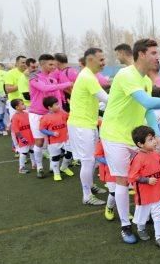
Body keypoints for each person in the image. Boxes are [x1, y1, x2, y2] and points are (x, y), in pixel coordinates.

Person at [99, 38, 160, 244]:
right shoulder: (126, 74)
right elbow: (147, 101)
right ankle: (125, 226)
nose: (158, 57)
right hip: (115, 135)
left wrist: (156, 136)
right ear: (141, 54)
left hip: (136, 137)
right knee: (122, 180)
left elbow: (147, 110)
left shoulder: (147, 80)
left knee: (144, 174)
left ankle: (137, 213)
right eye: (154, 53)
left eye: (158, 53)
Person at [68, 47, 110, 206]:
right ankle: (86, 195)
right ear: (90, 60)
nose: (103, 62)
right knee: (88, 161)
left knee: (91, 160)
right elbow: (106, 99)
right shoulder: (87, 77)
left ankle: (90, 186)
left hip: (88, 123)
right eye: (101, 59)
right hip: (81, 125)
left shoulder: (88, 75)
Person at [29, 54, 72, 179]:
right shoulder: (34, 77)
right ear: (42, 64)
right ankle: (39, 167)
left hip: (52, 115)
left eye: (54, 64)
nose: (54, 67)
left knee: (53, 142)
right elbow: (44, 89)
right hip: (37, 114)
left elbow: (57, 96)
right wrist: (66, 84)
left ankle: (55, 168)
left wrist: (62, 112)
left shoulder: (53, 79)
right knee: (40, 141)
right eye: (50, 64)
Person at [128, 125, 160, 248]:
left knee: (158, 214)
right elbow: (132, 177)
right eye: (150, 140)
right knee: (142, 215)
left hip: (157, 192)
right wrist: (146, 180)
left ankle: (159, 237)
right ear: (140, 144)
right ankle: (140, 228)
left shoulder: (155, 154)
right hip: (145, 194)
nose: (155, 141)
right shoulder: (138, 158)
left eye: (154, 138)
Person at [39, 96, 74, 182]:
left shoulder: (62, 113)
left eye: (58, 104)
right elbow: (41, 129)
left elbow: (69, 117)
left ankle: (64, 168)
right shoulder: (45, 118)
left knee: (69, 154)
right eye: (56, 105)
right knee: (55, 157)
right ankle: (56, 173)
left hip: (65, 139)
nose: (58, 106)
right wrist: (52, 133)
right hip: (54, 141)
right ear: (49, 107)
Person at [95, 138, 118, 221]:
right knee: (114, 193)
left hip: (122, 170)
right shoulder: (103, 141)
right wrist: (110, 162)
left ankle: (124, 210)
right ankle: (109, 207)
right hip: (109, 171)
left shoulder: (122, 137)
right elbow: (98, 156)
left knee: (123, 192)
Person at [10, 99, 34, 174]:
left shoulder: (27, 114)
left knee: (32, 150)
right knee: (23, 152)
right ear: (17, 107)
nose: (24, 105)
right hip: (23, 138)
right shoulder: (15, 117)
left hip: (31, 137)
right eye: (22, 104)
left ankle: (34, 164)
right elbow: (16, 130)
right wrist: (22, 138)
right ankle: (21, 168)